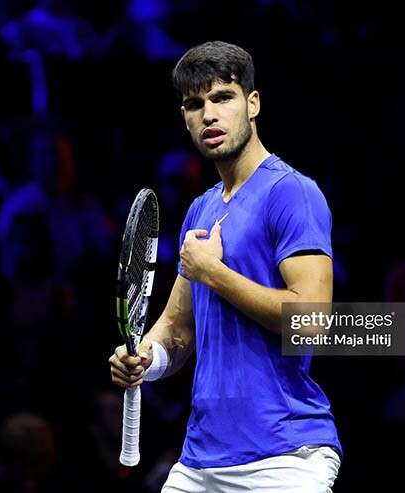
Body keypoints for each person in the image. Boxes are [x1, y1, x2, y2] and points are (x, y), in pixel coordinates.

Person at [109, 41, 342, 492]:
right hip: (200, 462)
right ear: (185, 118)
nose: (209, 115)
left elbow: (312, 320)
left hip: (285, 458)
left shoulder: (292, 192)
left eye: (222, 98)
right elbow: (177, 331)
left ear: (252, 104)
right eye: (195, 104)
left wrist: (214, 272)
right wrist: (146, 360)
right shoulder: (200, 210)